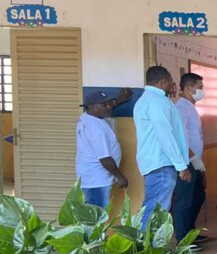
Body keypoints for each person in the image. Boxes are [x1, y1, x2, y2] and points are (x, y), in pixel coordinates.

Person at [133, 66, 191, 229]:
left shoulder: (146, 100)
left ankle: (146, 242)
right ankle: (148, 243)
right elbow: (165, 135)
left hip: (157, 163)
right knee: (156, 211)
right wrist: (181, 165)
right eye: (171, 81)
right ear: (163, 81)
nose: (172, 85)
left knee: (152, 207)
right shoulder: (157, 102)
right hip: (161, 164)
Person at [75, 88, 132, 207]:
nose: (108, 107)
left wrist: (119, 101)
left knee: (92, 214)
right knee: (96, 216)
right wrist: (120, 177)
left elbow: (105, 108)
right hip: (96, 181)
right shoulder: (96, 129)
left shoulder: (86, 117)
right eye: (103, 105)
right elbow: (105, 159)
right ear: (91, 106)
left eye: (109, 103)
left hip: (89, 177)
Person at [171, 72, 206, 243]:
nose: (202, 90)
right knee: (184, 200)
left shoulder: (190, 107)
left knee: (198, 196)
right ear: (188, 88)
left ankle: (190, 232)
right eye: (200, 87)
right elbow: (179, 137)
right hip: (187, 162)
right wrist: (193, 157)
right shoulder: (181, 108)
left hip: (195, 161)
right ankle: (183, 238)